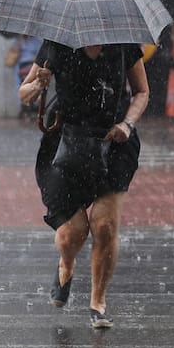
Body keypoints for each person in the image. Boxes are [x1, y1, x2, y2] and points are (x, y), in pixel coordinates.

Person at [19, 42, 148, 329]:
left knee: (105, 226)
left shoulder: (124, 45)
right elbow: (24, 94)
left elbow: (142, 91)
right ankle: (66, 264)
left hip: (114, 142)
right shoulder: (57, 45)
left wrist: (128, 123)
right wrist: (39, 85)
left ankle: (98, 303)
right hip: (66, 143)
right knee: (71, 235)